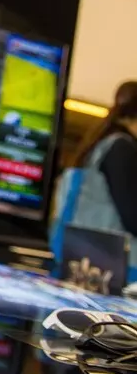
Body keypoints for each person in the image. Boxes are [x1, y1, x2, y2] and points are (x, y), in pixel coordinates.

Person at [53, 81, 137, 275]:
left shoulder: (98, 145)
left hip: (82, 259)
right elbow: (133, 217)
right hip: (114, 268)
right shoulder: (122, 149)